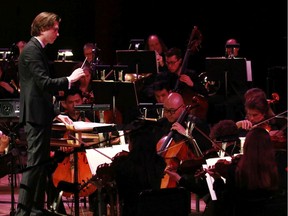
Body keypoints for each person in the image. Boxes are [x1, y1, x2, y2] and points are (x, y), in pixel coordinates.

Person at [15, 12, 85, 216]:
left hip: (41, 114)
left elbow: (41, 91)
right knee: (35, 165)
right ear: (42, 28)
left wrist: (55, 113)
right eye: (54, 28)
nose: (58, 32)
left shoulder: (37, 50)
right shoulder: (31, 51)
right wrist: (70, 79)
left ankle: (35, 208)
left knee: (41, 164)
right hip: (35, 117)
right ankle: (23, 212)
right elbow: (44, 83)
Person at [207, 127, 285, 216]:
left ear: (246, 145)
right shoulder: (278, 168)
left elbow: (226, 201)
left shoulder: (235, 171)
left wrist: (217, 179)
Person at [110, 124, 166, 216]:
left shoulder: (125, 164)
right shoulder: (160, 162)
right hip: (154, 210)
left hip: (132, 210)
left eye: (129, 142)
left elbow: (121, 193)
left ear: (134, 144)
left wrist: (117, 163)